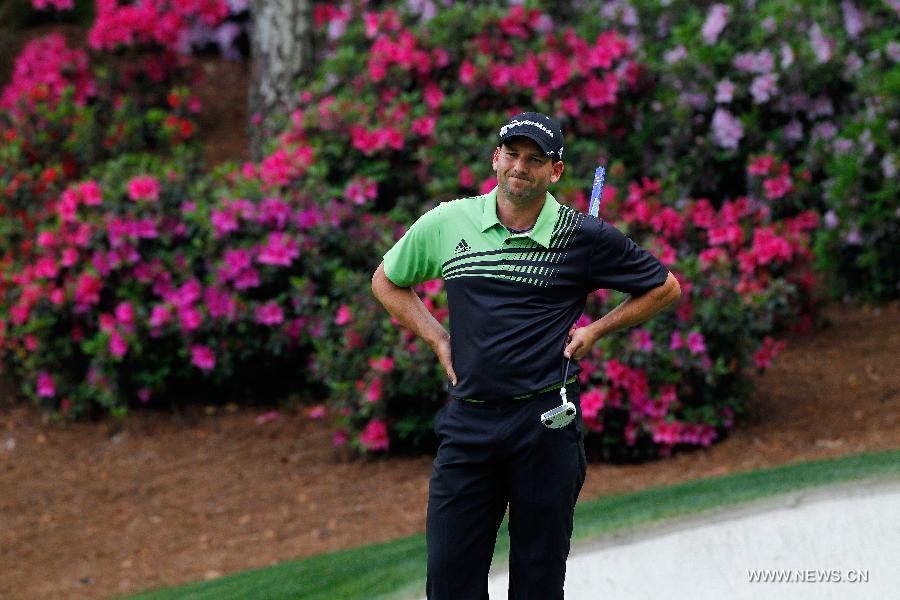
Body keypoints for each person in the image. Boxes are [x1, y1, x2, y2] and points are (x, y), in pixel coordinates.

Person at [371, 112, 681, 599]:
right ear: (496, 159)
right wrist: (437, 338)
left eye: (535, 160)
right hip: (468, 424)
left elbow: (664, 288)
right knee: (450, 582)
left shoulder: (580, 236)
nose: (521, 167)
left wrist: (595, 331)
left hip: (545, 425)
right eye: (512, 155)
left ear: (554, 172)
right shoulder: (450, 221)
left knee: (537, 583)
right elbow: (387, 280)